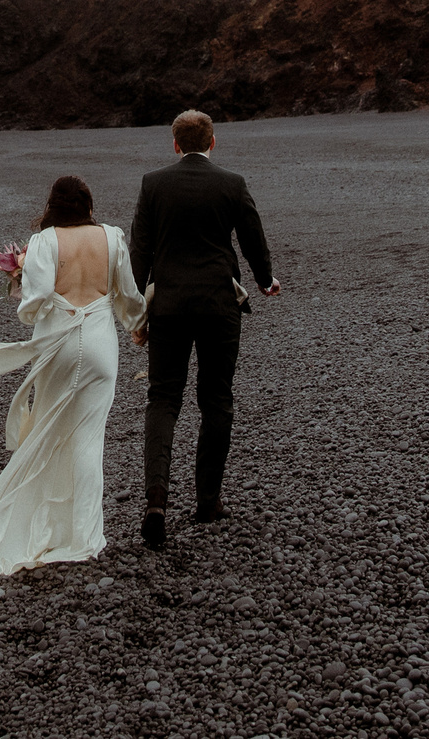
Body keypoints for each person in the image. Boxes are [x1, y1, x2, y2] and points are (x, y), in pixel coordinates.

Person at [0, 174, 146, 593]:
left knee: (46, 431)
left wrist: (22, 294)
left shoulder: (44, 243)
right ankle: (83, 537)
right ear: (88, 204)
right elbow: (128, 295)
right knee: (88, 439)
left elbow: (36, 300)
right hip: (100, 344)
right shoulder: (112, 237)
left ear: (53, 205)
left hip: (58, 345)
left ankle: (39, 521)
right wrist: (138, 326)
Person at [130, 109, 278, 548]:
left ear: (175, 144)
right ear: (213, 143)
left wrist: (136, 305)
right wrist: (265, 280)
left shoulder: (153, 183)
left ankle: (156, 498)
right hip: (218, 303)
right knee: (216, 396)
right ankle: (207, 500)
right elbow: (253, 236)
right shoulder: (231, 183)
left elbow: (139, 247)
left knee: (162, 398)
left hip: (169, 305)